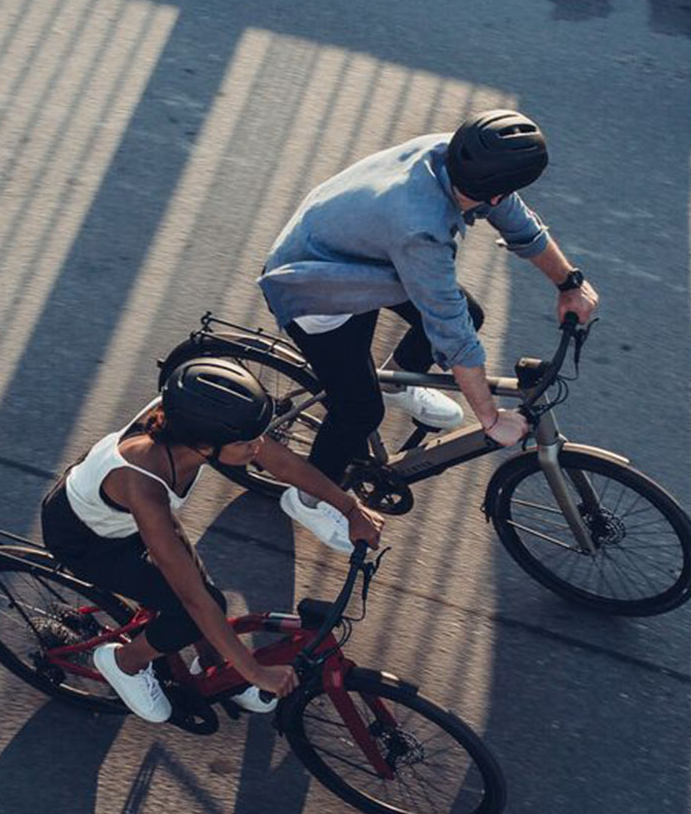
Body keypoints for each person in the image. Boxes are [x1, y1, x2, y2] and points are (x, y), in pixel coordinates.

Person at [258, 109, 599, 550]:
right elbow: (450, 331)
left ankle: (398, 382)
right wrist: (490, 418)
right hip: (314, 287)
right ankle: (307, 498)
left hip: (357, 251)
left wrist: (568, 283)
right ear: (492, 193)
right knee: (359, 410)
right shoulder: (420, 230)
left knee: (469, 313)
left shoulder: (456, 157)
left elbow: (517, 222)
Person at [41, 359, 384, 723]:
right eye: (247, 441)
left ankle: (213, 668)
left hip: (124, 517)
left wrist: (350, 508)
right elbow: (193, 601)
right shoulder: (142, 485)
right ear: (205, 445)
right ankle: (124, 661)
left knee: (204, 597)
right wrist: (256, 672)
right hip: (86, 540)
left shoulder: (190, 430)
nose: (259, 446)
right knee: (193, 610)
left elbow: (282, 464)